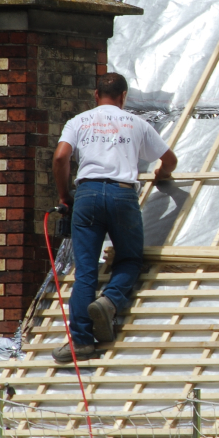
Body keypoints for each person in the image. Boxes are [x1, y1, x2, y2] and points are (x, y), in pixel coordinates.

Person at [51, 73, 177, 364]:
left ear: (96, 95)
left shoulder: (79, 122)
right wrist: (163, 176)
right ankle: (110, 301)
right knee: (130, 258)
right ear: (123, 97)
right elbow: (169, 160)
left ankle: (81, 343)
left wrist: (64, 196)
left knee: (85, 272)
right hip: (122, 194)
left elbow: (60, 158)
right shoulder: (137, 124)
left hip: (87, 194)